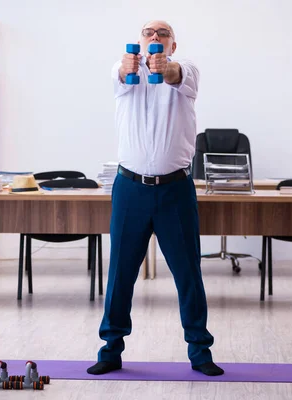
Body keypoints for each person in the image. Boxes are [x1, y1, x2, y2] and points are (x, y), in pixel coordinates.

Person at [86, 20, 224, 377]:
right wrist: (127, 66)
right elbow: (118, 71)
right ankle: (111, 349)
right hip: (130, 190)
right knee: (120, 273)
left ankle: (199, 351)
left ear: (173, 46)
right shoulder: (122, 74)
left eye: (163, 35)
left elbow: (179, 74)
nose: (155, 38)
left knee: (188, 273)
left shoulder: (186, 72)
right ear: (137, 43)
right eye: (149, 33)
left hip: (175, 191)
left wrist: (166, 68)